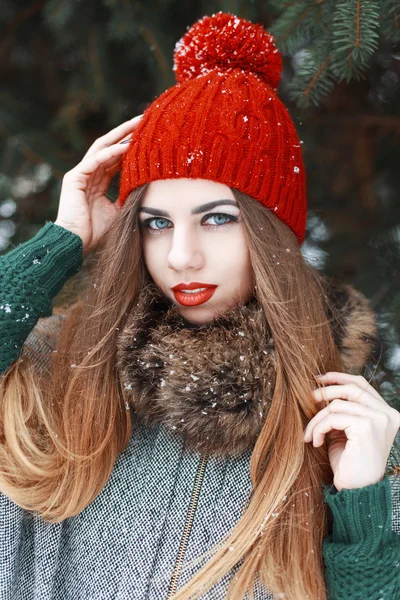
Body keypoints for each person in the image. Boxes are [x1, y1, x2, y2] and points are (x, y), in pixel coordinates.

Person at [0, 11, 399, 600]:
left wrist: (363, 513)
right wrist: (60, 241)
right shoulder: (67, 384)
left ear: (272, 235)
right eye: (156, 223)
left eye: (217, 219)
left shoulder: (346, 435)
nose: (181, 256)